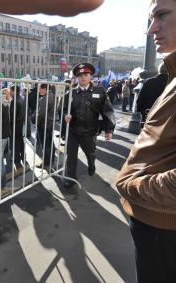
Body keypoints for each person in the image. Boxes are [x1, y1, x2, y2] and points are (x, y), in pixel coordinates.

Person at [115, 0, 176, 281]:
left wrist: (134, 187)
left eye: (161, 15)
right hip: (156, 219)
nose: (151, 28)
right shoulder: (171, 75)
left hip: (161, 224)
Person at [63, 63, 115, 188]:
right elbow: (63, 109)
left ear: (91, 76)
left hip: (90, 131)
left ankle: (91, 164)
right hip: (73, 130)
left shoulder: (100, 91)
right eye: (80, 75)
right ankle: (71, 178)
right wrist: (65, 115)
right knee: (71, 156)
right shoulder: (70, 93)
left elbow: (108, 111)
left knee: (90, 153)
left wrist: (109, 130)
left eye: (86, 74)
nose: (83, 77)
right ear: (76, 78)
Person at [31, 84, 56, 169]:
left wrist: (35, 121)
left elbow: (41, 114)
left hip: (44, 124)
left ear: (44, 89)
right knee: (49, 143)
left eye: (40, 89)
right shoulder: (52, 95)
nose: (39, 91)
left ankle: (46, 162)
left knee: (46, 144)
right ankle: (51, 160)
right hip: (49, 123)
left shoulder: (45, 98)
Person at [9, 84, 25, 168]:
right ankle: (22, 156)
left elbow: (12, 115)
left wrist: (9, 123)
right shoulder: (21, 98)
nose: (10, 92)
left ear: (14, 91)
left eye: (11, 90)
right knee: (20, 140)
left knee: (15, 142)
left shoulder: (14, 100)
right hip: (20, 122)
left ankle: (17, 158)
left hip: (15, 123)